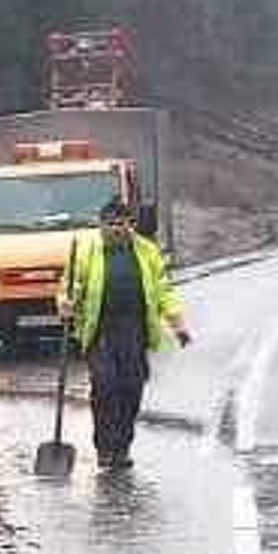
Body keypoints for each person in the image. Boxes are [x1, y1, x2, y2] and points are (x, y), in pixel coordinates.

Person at [58, 196, 189, 468]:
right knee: (105, 387)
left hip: (134, 330)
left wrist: (177, 324)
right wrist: (66, 304)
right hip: (100, 330)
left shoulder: (146, 251)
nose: (117, 229)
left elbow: (163, 290)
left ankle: (122, 446)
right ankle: (105, 448)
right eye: (110, 224)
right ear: (101, 225)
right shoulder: (86, 251)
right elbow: (70, 286)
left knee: (131, 388)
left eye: (122, 223)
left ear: (130, 224)